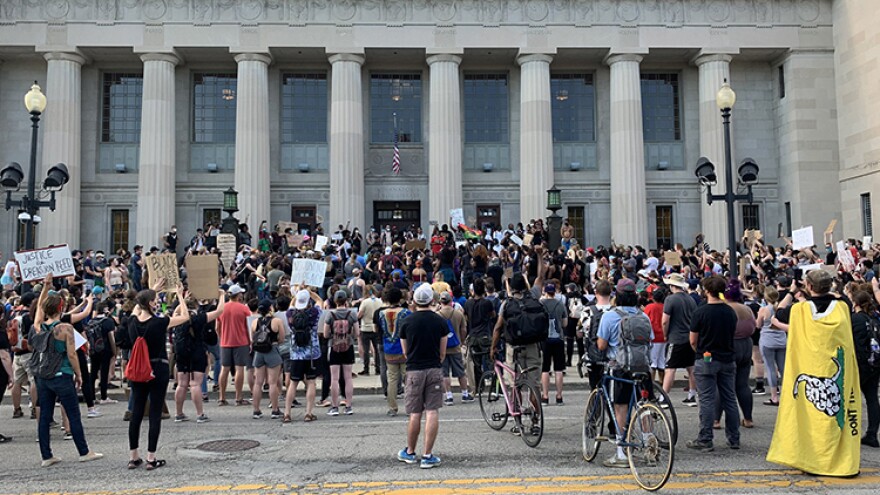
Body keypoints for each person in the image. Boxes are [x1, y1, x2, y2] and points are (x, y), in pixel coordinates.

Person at [767, 270, 861, 477]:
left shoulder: (800, 309)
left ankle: (811, 459)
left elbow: (777, 313)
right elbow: (842, 299)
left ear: (808, 286)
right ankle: (837, 458)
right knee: (835, 418)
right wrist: (834, 293)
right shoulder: (843, 308)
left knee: (809, 418)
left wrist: (792, 291)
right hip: (835, 372)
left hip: (809, 370)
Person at [31, 290, 104, 467]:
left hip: (43, 376)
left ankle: (46, 456)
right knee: (73, 414)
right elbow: (71, 354)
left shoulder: (38, 326)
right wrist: (78, 374)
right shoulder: (65, 329)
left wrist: (45, 287)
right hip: (62, 374)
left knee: (45, 416)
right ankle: (84, 451)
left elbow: (40, 308)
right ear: (61, 308)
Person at [128, 286, 190, 470]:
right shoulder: (159, 322)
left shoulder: (131, 322)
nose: (157, 302)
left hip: (138, 370)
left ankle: (133, 456)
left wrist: (150, 290)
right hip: (157, 368)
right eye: (155, 300)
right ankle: (151, 457)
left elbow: (136, 309)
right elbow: (185, 316)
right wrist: (180, 295)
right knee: (155, 413)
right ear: (150, 303)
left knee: (136, 413)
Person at [596, 278, 650, 468]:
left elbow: (601, 345)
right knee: (644, 405)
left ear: (616, 296)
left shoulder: (610, 316)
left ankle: (621, 452)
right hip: (642, 366)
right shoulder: (644, 316)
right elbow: (649, 340)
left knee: (621, 408)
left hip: (619, 367)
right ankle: (649, 443)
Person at [685, 275, 740, 453]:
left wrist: (699, 352)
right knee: (729, 398)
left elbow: (693, 340)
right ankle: (734, 438)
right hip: (727, 357)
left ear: (706, 291)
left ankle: (705, 438)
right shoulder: (730, 311)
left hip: (707, 356)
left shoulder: (701, 312)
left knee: (707, 399)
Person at [396, 283, 447, 469]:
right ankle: (427, 455)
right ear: (432, 300)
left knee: (415, 413)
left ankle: (410, 451)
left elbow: (405, 352)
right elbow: (443, 352)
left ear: (414, 300)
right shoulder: (440, 321)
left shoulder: (407, 322)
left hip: (414, 369)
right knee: (432, 411)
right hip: (433, 368)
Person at [173, 291, 225, 423]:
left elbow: (177, 311)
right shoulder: (200, 318)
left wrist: (181, 298)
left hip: (181, 351)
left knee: (182, 383)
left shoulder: (178, 319)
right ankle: (199, 414)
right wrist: (222, 295)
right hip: (197, 350)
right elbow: (219, 311)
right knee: (196, 383)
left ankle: (179, 413)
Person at [714, 281, 756, 429]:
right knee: (742, 384)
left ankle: (716, 420)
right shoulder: (747, 309)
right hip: (746, 345)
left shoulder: (725, 309)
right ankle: (748, 418)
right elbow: (754, 326)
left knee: (722, 384)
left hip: (730, 345)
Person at [284, 288, 323, 423]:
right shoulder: (314, 313)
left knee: (293, 383)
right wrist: (309, 291)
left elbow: (291, 304)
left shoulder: (290, 314)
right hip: (312, 353)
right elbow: (319, 300)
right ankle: (308, 412)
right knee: (311, 382)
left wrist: (297, 293)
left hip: (296, 354)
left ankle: (287, 413)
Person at [661, 273, 698, 406]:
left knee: (670, 368)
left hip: (675, 338)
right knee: (691, 367)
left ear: (672, 285)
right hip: (689, 337)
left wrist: (665, 335)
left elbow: (665, 321)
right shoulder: (690, 299)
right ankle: (692, 395)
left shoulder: (670, 300)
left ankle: (664, 397)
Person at [323, 291, 360, 416]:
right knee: (348, 377)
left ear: (335, 300)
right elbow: (357, 333)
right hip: (347, 346)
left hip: (334, 346)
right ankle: (348, 406)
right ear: (346, 300)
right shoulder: (352, 314)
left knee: (334, 378)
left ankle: (334, 406)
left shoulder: (330, 314)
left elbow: (325, 333)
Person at [851, 288, 879, 448]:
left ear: (855, 303)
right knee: (872, 398)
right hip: (874, 363)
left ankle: (849, 430)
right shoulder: (874, 318)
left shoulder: (855, 319)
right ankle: (872, 433)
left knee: (849, 397)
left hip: (859, 364)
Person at [217, 284, 252, 406]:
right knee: (239, 368)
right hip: (241, 341)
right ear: (238, 295)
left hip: (225, 341)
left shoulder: (222, 308)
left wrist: (222, 336)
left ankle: (221, 397)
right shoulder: (244, 309)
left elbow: (217, 327)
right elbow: (248, 326)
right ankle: (238, 397)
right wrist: (250, 340)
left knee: (224, 368)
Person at [378, 287, 411, 416]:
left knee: (392, 378)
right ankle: (410, 406)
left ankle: (392, 407)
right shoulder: (405, 313)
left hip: (389, 348)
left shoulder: (381, 313)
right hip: (404, 349)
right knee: (407, 378)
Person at [250, 300, 285, 420]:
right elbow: (282, 338)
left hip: (259, 352)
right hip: (272, 350)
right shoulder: (276, 321)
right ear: (270, 308)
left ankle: (256, 410)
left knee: (258, 382)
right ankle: (275, 409)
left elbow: (252, 338)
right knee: (273, 382)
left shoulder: (255, 322)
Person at [436, 291, 472, 405]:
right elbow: (464, 330)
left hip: (442, 348)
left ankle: (449, 396)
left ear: (441, 301)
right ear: (451, 301)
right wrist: (461, 342)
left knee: (444, 373)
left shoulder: (437, 315)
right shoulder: (458, 314)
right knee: (461, 372)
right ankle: (465, 394)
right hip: (455, 347)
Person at [755, 287, 785, 406]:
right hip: (782, 339)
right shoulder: (781, 309)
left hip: (767, 339)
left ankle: (774, 396)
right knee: (783, 368)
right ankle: (786, 394)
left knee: (771, 368)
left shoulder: (763, 310)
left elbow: (758, 325)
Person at [539, 284, 567, 405]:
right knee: (558, 369)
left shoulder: (541, 304)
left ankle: (545, 396)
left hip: (545, 339)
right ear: (554, 292)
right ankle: (559, 396)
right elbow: (565, 323)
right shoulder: (560, 304)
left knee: (545, 369)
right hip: (558, 338)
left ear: (545, 292)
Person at [357, 285, 383, 376]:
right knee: (377, 349)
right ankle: (378, 368)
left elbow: (359, 314)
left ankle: (366, 369)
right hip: (376, 327)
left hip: (365, 327)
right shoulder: (380, 301)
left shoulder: (364, 302)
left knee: (366, 349)